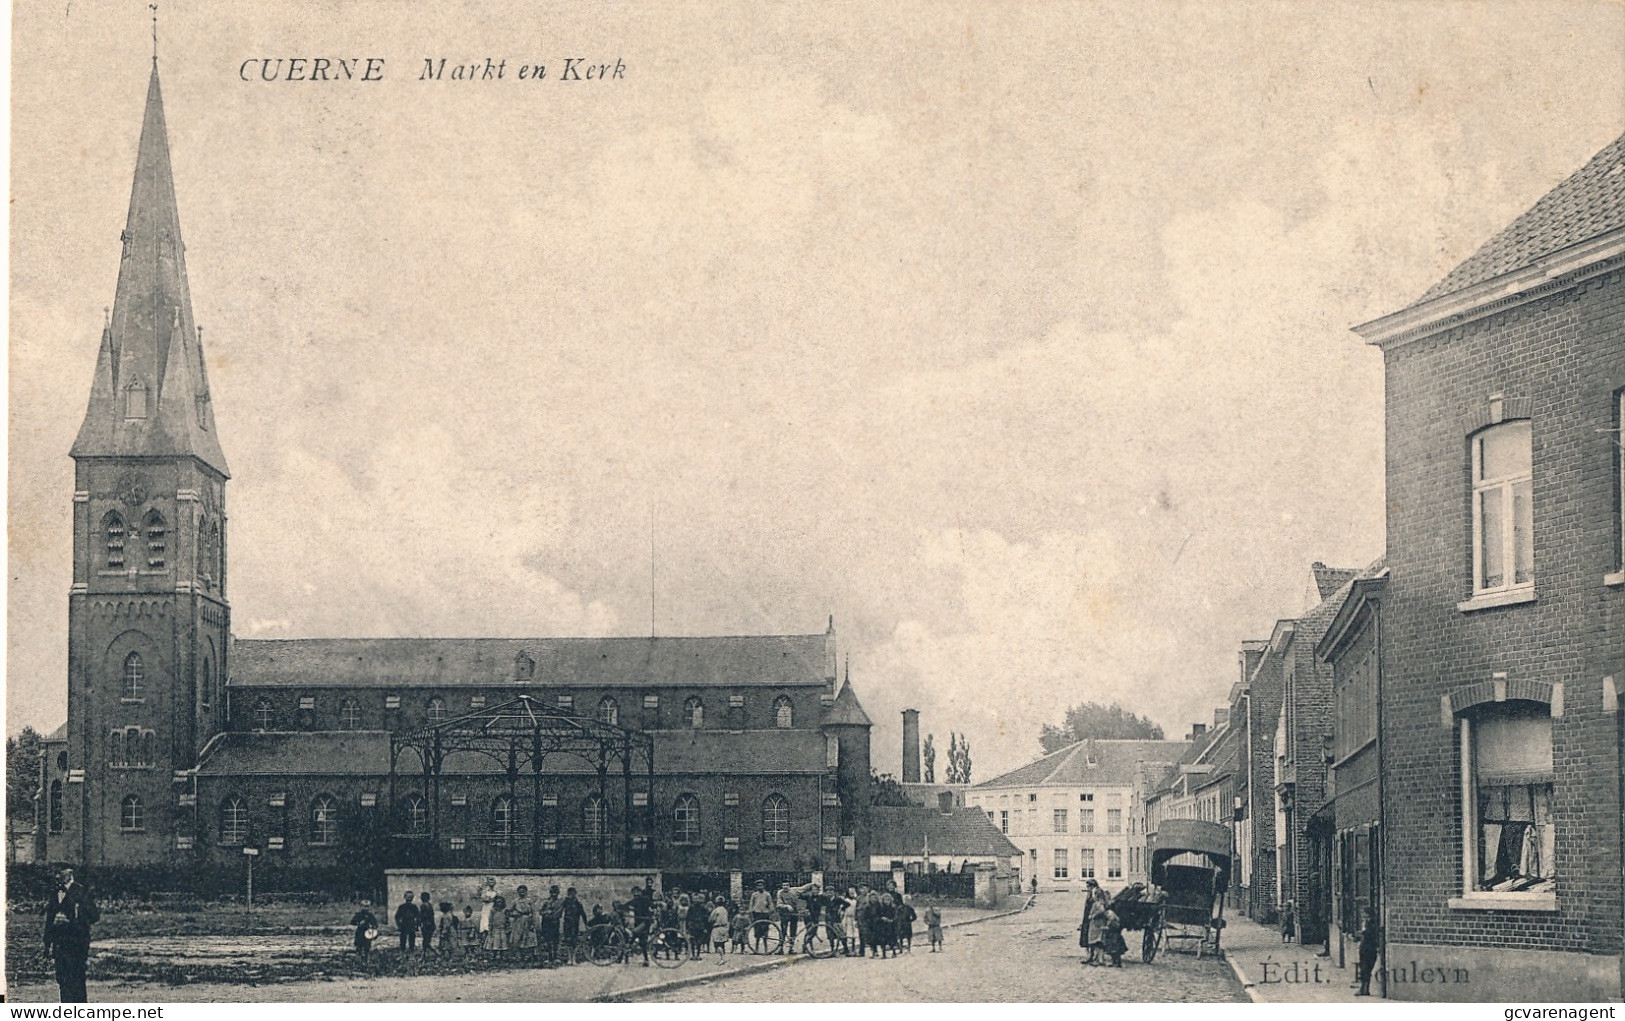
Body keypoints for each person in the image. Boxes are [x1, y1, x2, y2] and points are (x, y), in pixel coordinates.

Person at [44, 867, 100, 1003]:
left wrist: (74, 918)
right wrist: (47, 943)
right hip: (60, 943)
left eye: (61, 873)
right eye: (56, 873)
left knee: (77, 980)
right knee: (62, 979)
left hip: (77, 942)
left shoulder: (82, 891)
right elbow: (49, 919)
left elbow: (94, 916)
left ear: (70, 873)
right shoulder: (55, 892)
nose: (57, 876)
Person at [1356, 906, 1382, 996]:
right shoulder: (1368, 923)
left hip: (1368, 948)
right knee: (1365, 969)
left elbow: (1370, 935)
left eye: (1364, 914)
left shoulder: (1371, 924)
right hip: (1366, 948)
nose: (1363, 916)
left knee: (1365, 968)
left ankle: (1364, 988)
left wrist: (1363, 932)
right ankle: (1364, 988)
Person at [559, 887, 588, 964]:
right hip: (567, 924)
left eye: (572, 893)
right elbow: (560, 910)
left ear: (575, 894)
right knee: (567, 940)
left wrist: (586, 925)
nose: (571, 895)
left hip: (575, 924)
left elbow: (583, 914)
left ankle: (574, 958)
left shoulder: (578, 903)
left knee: (574, 940)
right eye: (569, 893)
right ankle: (569, 958)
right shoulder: (566, 902)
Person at [510, 885, 537, 961]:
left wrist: (533, 923)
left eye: (523, 891)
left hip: (528, 921)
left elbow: (533, 912)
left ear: (526, 892)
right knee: (518, 938)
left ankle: (528, 956)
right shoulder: (515, 901)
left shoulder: (529, 901)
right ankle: (519, 956)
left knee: (528, 938)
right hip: (518, 921)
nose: (522, 893)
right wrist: (514, 914)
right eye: (520, 891)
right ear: (518, 892)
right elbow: (509, 912)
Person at [748, 880, 775, 953]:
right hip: (757, 914)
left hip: (765, 914)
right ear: (756, 887)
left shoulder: (767, 894)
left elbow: (770, 904)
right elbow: (751, 904)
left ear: (764, 886)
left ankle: (766, 949)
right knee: (757, 932)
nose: (760, 887)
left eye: (761, 885)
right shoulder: (754, 894)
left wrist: (771, 912)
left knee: (765, 932)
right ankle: (756, 949)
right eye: (758, 886)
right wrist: (751, 913)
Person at [349, 900, 379, 965]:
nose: (366, 908)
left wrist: (372, 926)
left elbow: (375, 924)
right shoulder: (358, 915)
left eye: (367, 907)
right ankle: (358, 961)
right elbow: (352, 922)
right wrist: (359, 923)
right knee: (359, 947)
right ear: (361, 907)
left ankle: (366, 961)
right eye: (364, 906)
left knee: (367, 948)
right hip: (360, 933)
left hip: (368, 933)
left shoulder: (370, 915)